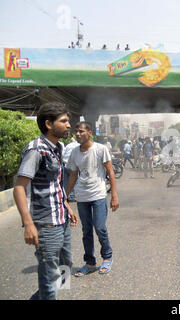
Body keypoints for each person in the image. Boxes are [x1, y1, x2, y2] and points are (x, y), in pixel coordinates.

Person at [13, 102, 79, 300]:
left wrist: (67, 206)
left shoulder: (58, 146)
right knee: (49, 273)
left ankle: (51, 295)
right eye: (64, 121)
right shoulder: (36, 150)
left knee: (66, 263)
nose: (69, 125)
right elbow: (19, 187)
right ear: (49, 124)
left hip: (62, 217)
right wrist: (28, 224)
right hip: (46, 223)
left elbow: (56, 183)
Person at [66, 121, 119, 277]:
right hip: (82, 197)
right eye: (77, 131)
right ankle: (89, 263)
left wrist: (114, 195)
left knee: (100, 227)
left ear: (90, 132)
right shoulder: (74, 152)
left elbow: (110, 172)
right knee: (86, 231)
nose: (78, 134)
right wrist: (64, 196)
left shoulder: (100, 149)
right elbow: (73, 176)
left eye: (81, 131)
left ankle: (107, 257)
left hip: (98, 195)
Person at [63, 137, 80, 202]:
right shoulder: (78, 145)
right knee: (75, 180)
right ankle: (72, 196)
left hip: (65, 164)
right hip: (73, 165)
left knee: (66, 180)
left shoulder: (68, 145)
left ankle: (65, 195)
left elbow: (63, 154)